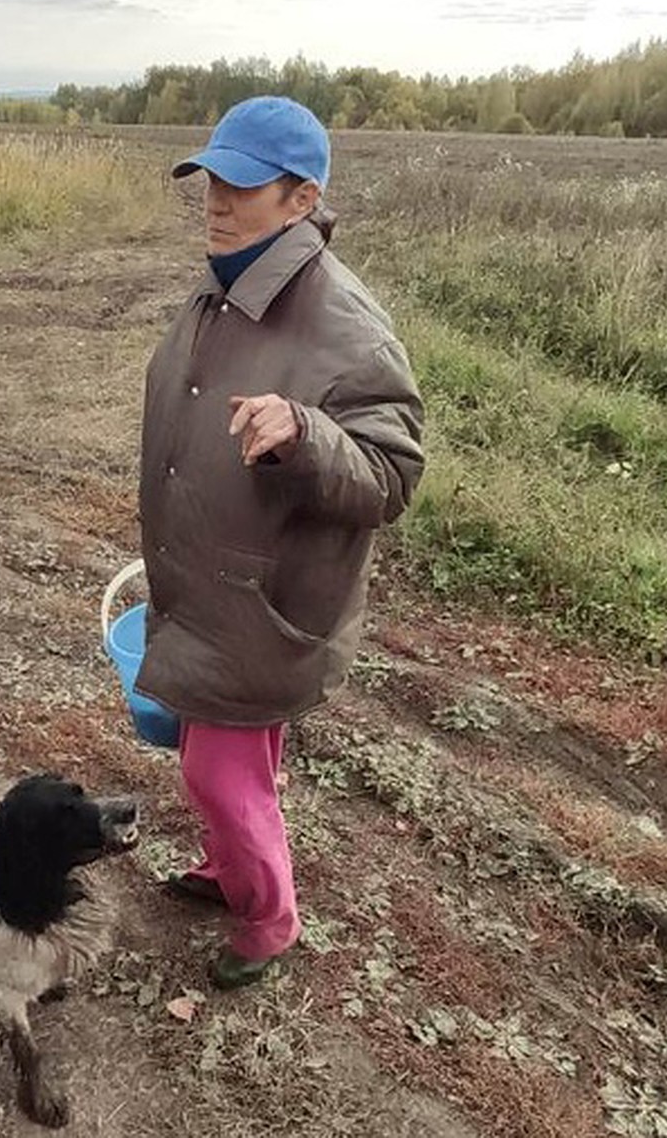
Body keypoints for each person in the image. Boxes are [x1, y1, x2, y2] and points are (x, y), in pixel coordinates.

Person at [137, 97, 424, 989]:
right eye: (212, 181)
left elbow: (392, 473)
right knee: (219, 758)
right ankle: (229, 871)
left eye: (242, 188)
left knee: (224, 777)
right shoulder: (227, 280)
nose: (217, 202)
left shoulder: (343, 323)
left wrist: (305, 434)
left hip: (262, 607)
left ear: (301, 200)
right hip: (206, 584)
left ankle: (269, 920)